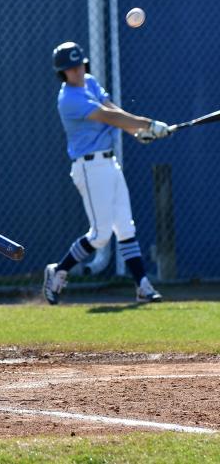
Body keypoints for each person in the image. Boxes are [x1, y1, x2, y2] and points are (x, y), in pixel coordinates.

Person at [43, 42, 171, 305]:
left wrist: (137, 131)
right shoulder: (69, 99)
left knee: (125, 225)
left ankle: (143, 285)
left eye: (79, 65)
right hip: (88, 167)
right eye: (71, 68)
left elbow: (113, 109)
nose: (77, 71)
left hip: (109, 163)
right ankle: (58, 270)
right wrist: (149, 125)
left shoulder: (89, 82)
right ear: (62, 72)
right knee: (101, 235)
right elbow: (107, 117)